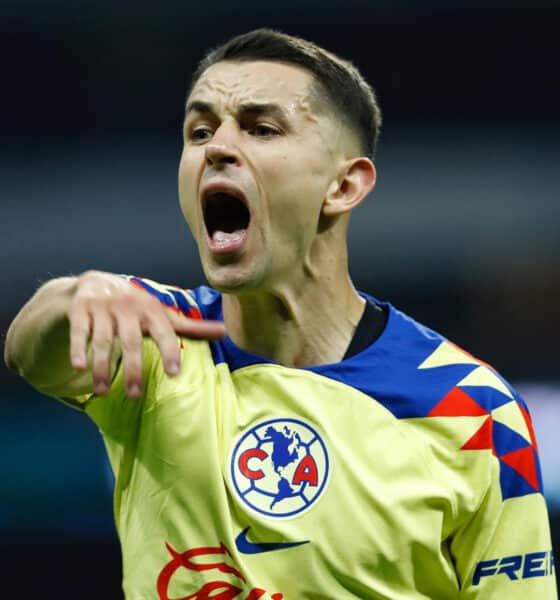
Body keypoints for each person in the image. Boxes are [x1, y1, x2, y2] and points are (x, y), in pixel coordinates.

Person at [4, 29, 556, 599]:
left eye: (261, 128)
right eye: (199, 130)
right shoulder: (158, 336)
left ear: (343, 184)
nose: (216, 147)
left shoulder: (472, 409)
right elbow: (29, 353)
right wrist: (75, 297)